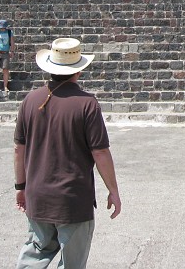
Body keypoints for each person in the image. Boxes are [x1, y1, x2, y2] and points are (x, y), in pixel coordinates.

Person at [14, 38, 121, 269]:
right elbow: (100, 152)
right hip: (73, 200)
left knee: (35, 253)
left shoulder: (29, 101)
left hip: (38, 195)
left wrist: (20, 187)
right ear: (79, 70)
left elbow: (18, 149)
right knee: (72, 263)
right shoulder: (87, 104)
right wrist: (114, 191)